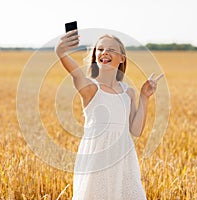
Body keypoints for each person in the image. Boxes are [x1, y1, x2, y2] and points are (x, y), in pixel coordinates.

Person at [55, 30, 163, 200]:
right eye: (100, 49)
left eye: (111, 49)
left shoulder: (128, 92)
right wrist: (60, 53)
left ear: (122, 58)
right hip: (96, 160)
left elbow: (135, 130)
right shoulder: (90, 88)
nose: (105, 52)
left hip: (123, 159)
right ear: (94, 56)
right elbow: (76, 72)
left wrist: (144, 97)